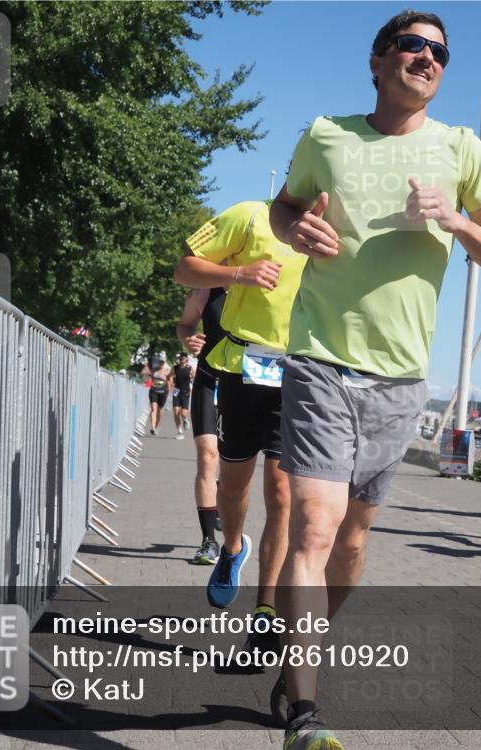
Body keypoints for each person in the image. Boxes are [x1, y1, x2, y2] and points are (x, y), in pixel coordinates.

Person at [268, 10, 481, 749]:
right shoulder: (327, 134)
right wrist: (294, 229)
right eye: (411, 45)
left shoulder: (462, 148)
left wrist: (458, 222)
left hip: (402, 379)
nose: (427, 58)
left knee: (352, 543)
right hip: (319, 357)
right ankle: (305, 716)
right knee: (314, 527)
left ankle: (292, 662)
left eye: (439, 51)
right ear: (377, 62)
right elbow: (285, 205)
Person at [175, 200, 306, 650]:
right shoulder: (251, 216)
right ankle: (231, 548)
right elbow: (184, 270)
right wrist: (239, 275)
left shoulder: (337, 233)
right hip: (237, 370)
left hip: (299, 375)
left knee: (282, 491)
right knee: (232, 486)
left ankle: (265, 610)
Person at [176, 286, 227, 565]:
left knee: (231, 466)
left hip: (247, 384)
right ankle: (208, 541)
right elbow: (184, 325)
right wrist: (189, 340)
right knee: (208, 456)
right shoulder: (205, 291)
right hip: (210, 381)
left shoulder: (267, 285)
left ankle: (222, 497)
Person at [171, 352, 196, 440]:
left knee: (183, 413)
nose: (182, 359)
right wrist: (171, 384)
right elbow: (170, 376)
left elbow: (195, 378)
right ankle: (179, 431)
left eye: (183, 358)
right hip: (176, 391)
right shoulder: (175, 368)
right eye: (181, 358)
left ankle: (185, 419)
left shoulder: (190, 368)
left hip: (185, 392)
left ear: (187, 359)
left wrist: (192, 384)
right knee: (176, 412)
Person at [146, 355, 171, 435]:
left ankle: (156, 426)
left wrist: (168, 392)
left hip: (163, 392)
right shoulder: (154, 370)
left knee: (159, 410)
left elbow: (170, 382)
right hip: (154, 391)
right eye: (160, 362)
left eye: (162, 362)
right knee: (153, 409)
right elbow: (149, 379)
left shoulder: (167, 370)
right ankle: (153, 427)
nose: (161, 363)